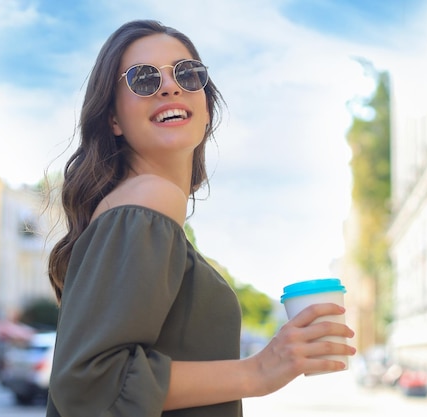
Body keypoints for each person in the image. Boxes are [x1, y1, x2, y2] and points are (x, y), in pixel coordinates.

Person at [46, 19, 356, 417]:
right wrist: (260, 370)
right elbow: (90, 383)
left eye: (187, 74)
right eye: (142, 79)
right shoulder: (150, 198)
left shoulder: (142, 208)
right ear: (113, 120)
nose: (170, 86)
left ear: (206, 107)